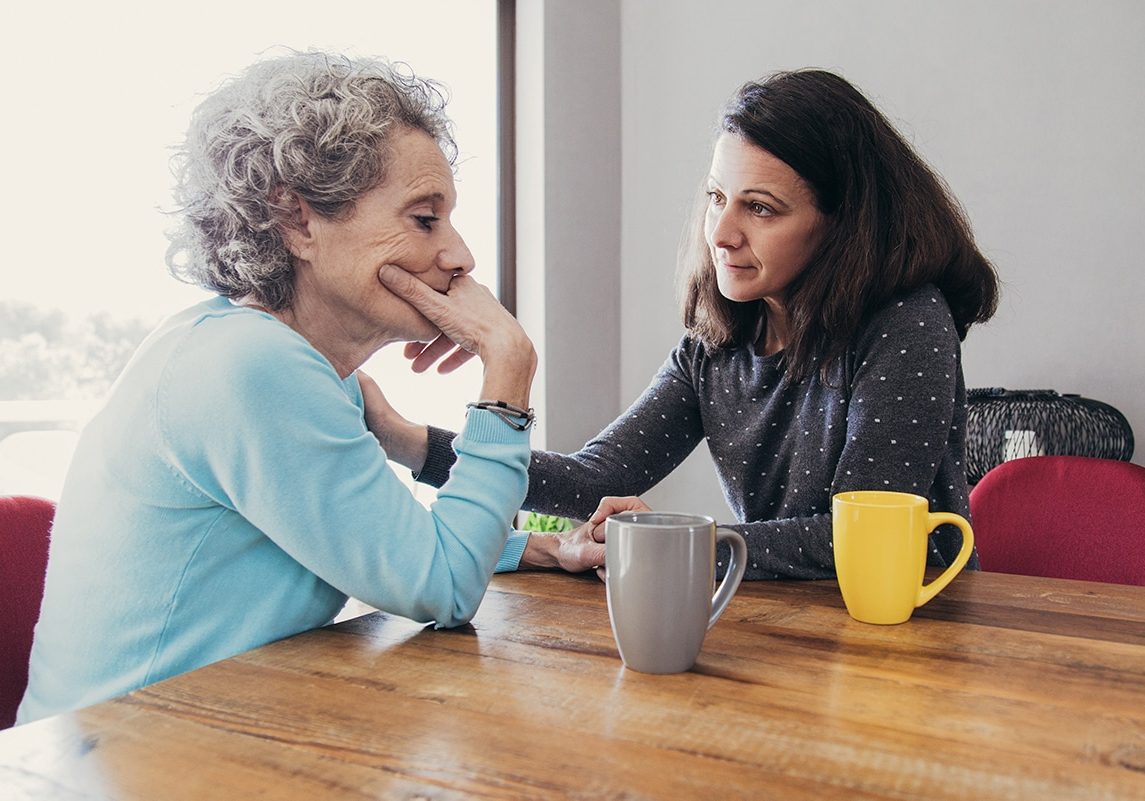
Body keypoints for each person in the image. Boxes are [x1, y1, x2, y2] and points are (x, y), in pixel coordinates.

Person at [17, 51, 553, 724]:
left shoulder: (259, 353)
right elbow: (443, 586)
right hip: (113, 761)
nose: (460, 255)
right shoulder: (249, 367)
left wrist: (530, 546)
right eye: (424, 218)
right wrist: (507, 364)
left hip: (198, 740)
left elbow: (373, 537)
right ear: (298, 221)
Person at [376, 68, 1000, 580]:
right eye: (715, 198)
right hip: (781, 626)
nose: (723, 235)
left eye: (760, 209)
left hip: (918, 633)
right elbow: (596, 480)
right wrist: (402, 438)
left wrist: (674, 542)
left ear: (842, 224)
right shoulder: (715, 348)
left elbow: (859, 536)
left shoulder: (906, 321)